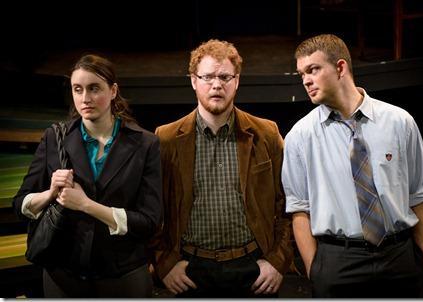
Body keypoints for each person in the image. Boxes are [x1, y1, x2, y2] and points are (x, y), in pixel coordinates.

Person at [282, 34, 423, 298]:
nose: (306, 80)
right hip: (337, 262)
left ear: (340, 68)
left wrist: (418, 258)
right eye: (302, 74)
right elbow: (299, 209)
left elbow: (420, 194)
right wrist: (315, 270)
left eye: (313, 70)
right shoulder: (301, 136)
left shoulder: (399, 122)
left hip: (399, 257)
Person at [12, 54, 162, 298]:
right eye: (77, 89)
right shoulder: (55, 137)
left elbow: (149, 222)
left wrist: (86, 205)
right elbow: (20, 205)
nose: (85, 99)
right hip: (62, 277)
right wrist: (50, 193)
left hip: (123, 278)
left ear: (113, 91)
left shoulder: (145, 144)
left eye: (94, 89)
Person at [152, 39, 293, 298]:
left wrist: (277, 261)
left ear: (237, 81)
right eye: (208, 77)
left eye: (225, 77)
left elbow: (287, 203)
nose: (217, 84)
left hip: (253, 270)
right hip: (190, 272)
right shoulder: (166, 138)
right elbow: (152, 209)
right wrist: (164, 263)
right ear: (194, 81)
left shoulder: (266, 133)